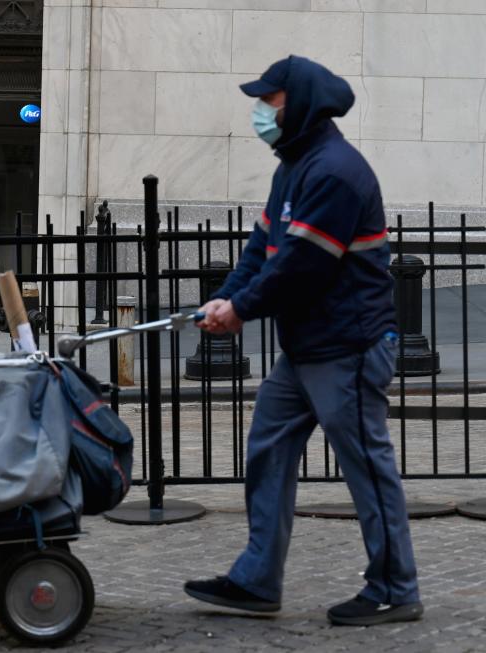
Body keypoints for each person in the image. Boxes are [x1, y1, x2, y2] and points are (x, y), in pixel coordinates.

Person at [183, 55, 423, 626]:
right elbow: (261, 251)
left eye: (270, 102)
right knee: (267, 449)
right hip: (308, 349)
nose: (261, 112)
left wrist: (240, 309)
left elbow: (302, 267)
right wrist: (225, 298)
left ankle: (395, 588)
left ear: (299, 105)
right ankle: (256, 580)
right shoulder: (292, 166)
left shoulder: (335, 171)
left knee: (366, 466)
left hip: (350, 348)